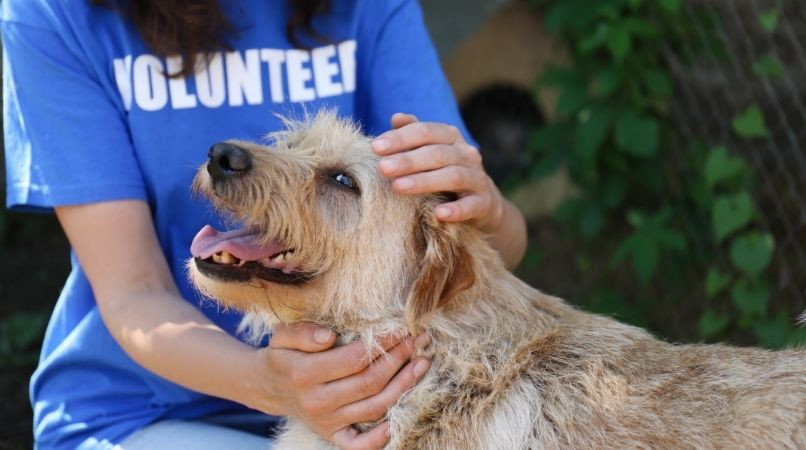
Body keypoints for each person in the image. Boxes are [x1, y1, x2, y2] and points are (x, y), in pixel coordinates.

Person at [2, 0, 527, 448]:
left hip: (375, 402)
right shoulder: (54, 13)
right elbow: (133, 290)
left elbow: (482, 247)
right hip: (144, 412)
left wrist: (490, 210)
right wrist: (269, 385)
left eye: (338, 182)